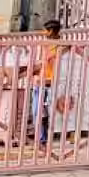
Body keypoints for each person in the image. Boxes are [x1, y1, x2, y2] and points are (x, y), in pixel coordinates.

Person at [31, 18, 63, 146]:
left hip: (54, 83)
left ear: (51, 31)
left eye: (45, 30)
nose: (43, 33)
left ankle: (50, 137)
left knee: (52, 113)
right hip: (41, 82)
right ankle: (41, 139)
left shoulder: (62, 46)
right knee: (37, 112)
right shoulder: (46, 45)